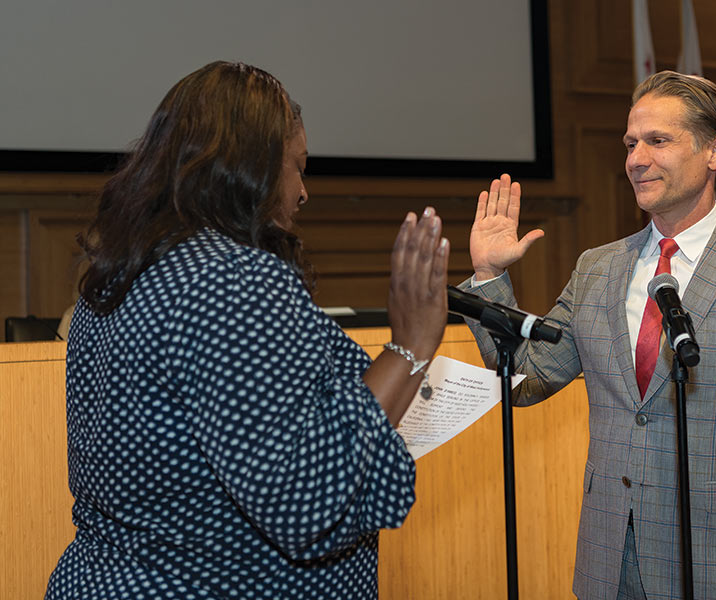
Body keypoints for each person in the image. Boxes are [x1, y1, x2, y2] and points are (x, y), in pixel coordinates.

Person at [45, 61, 449, 599]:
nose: (303, 193)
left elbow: (336, 386)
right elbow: (305, 498)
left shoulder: (119, 273)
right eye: (297, 168)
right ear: (251, 169)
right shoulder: (235, 280)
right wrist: (411, 344)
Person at [462, 71, 716, 599]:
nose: (636, 158)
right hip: (609, 568)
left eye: (657, 141)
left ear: (715, 150)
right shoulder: (596, 268)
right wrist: (487, 278)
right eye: (631, 143)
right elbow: (525, 379)